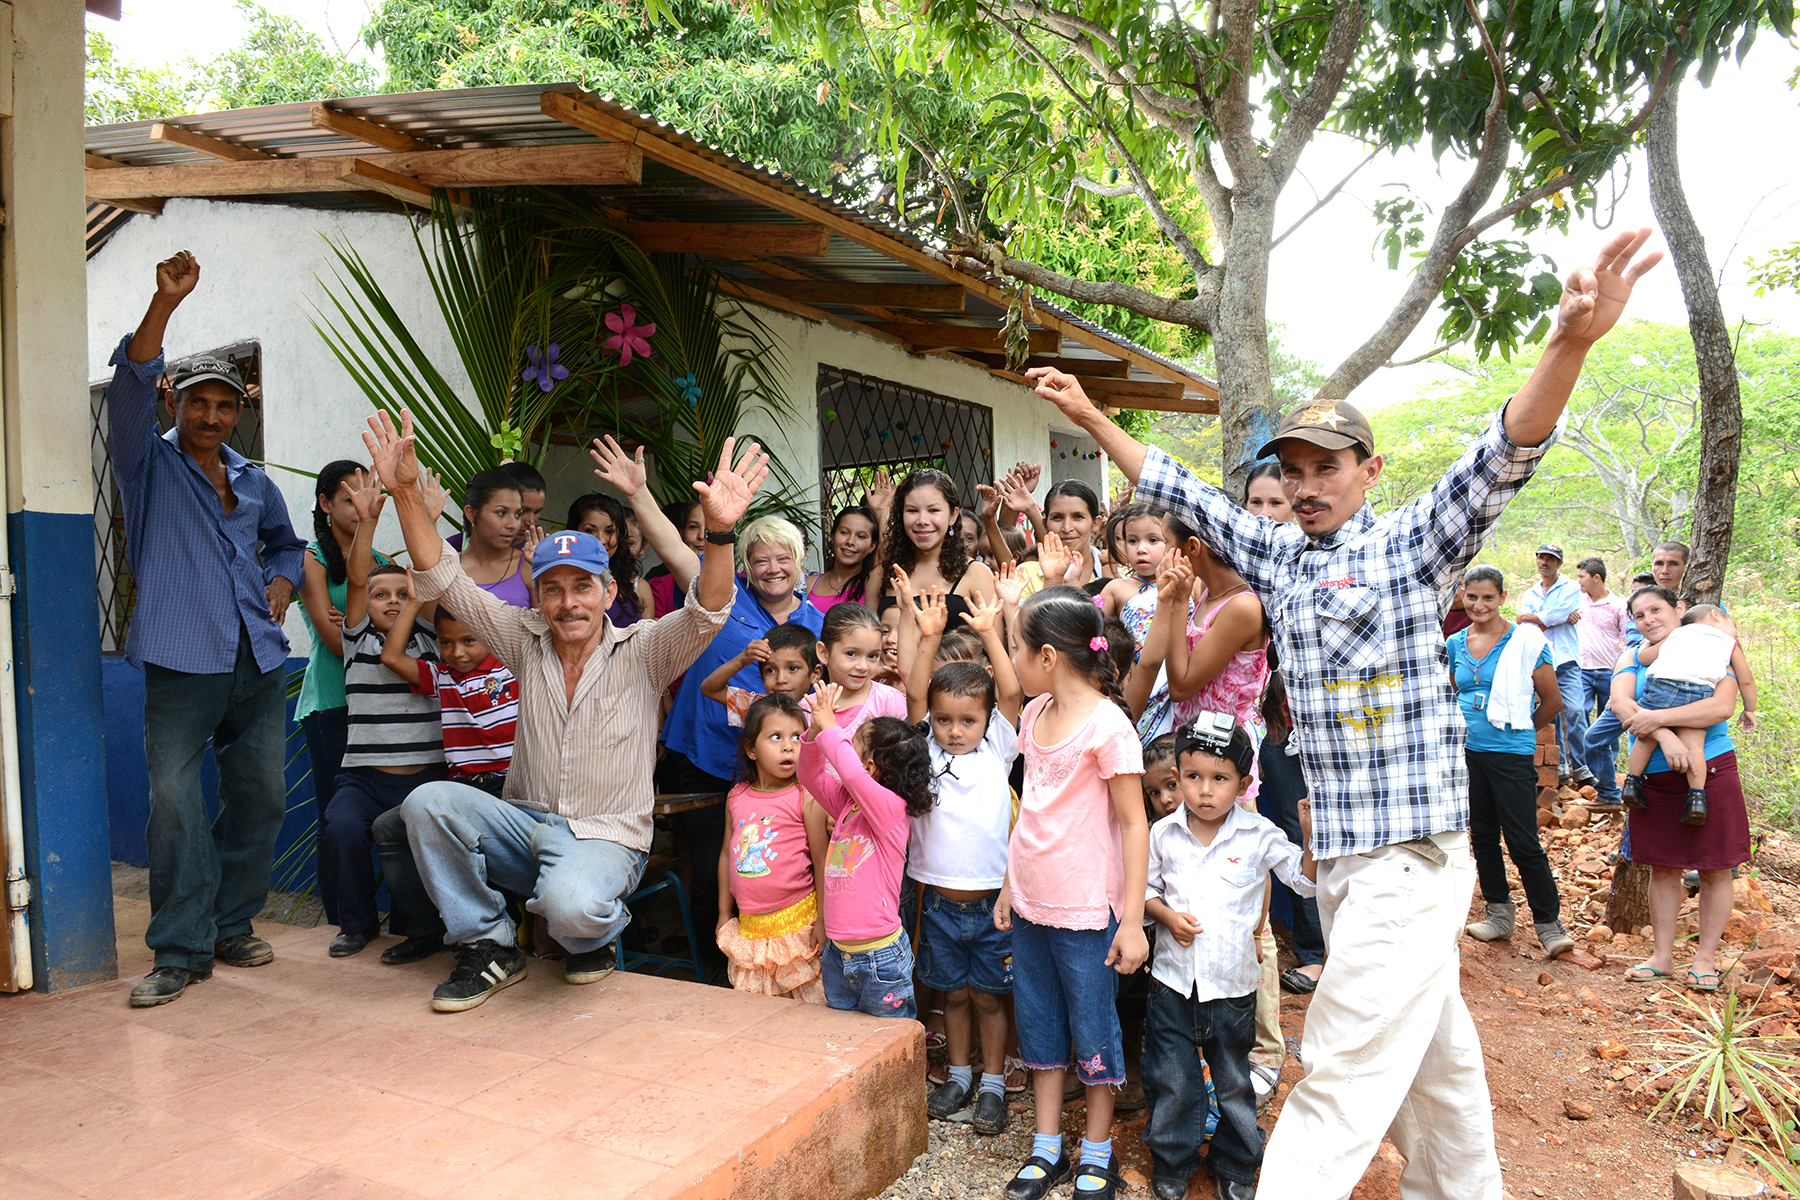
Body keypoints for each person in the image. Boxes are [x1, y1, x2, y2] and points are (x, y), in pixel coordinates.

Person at [1022, 227, 1661, 1198]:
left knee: (1339, 1070)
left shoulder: (1413, 545)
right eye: (1294, 470)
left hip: (1415, 861)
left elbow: (1504, 453)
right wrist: (1092, 412)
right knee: (1436, 1078)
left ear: (1367, 468)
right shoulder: (1278, 558)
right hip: (1351, 868)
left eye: (1328, 467)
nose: (1308, 485)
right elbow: (1176, 486)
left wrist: (1569, 342)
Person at [365, 409, 765, 1011]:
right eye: (553, 588)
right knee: (427, 803)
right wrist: (402, 492)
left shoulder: (645, 649)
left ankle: (595, 935)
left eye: (583, 587)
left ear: (608, 593)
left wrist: (721, 532)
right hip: (525, 827)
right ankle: (489, 945)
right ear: (537, 595)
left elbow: (709, 608)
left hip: (606, 839)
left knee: (570, 907)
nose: (568, 602)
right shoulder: (520, 639)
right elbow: (442, 579)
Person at [110, 251, 307, 1007]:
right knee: (176, 802)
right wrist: (164, 304)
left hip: (256, 662)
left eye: (225, 406)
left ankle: (230, 923)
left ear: (237, 413)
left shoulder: (255, 482)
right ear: (174, 405)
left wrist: (281, 587)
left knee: (261, 796)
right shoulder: (146, 467)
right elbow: (127, 385)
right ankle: (177, 948)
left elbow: (288, 546)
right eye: (198, 404)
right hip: (181, 665)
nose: (212, 416)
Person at [996, 586, 1149, 1200]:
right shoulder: (1034, 716)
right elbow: (1030, 811)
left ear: (1050, 657)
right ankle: (1047, 1146)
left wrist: (1132, 920)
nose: (1015, 660)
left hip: (1087, 910)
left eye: (1018, 649)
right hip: (1032, 902)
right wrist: (1010, 886)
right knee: (1038, 1022)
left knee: (1092, 1027)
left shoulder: (1109, 727)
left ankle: (1097, 1150)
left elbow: (1135, 824)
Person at [1142, 714, 1317, 1200]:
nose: (1203, 791)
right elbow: (1144, 892)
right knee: (1173, 1078)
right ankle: (1173, 1160)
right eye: (1192, 777)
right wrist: (1166, 917)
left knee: (1234, 1079)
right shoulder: (1163, 834)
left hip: (1234, 989)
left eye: (1219, 779)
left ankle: (1236, 1163)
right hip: (1172, 985)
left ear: (1243, 783)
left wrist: (1308, 838)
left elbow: (1303, 883)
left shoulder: (1258, 834)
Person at [658, 512, 822, 978]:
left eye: (782, 557)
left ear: (800, 560)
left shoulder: (817, 623)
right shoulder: (724, 596)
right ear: (744, 566)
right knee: (718, 871)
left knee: (795, 871)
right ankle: (717, 968)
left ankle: (799, 965)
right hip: (720, 763)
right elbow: (711, 687)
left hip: (796, 784)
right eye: (759, 559)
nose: (772, 568)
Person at [317, 468, 453, 959]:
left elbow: (431, 582)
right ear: (365, 604)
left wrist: (427, 522)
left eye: (402, 593)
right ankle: (356, 924)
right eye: (381, 595)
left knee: (418, 844)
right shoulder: (357, 640)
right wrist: (370, 521)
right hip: (365, 777)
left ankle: (417, 931)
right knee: (342, 829)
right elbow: (355, 576)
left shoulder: (431, 638)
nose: (392, 601)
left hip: (425, 776)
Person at [908, 591, 1023, 1135]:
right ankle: (957, 1075)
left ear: (985, 721)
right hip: (940, 907)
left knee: (989, 998)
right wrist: (930, 636)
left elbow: (1013, 692)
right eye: (945, 720)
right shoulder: (926, 746)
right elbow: (914, 697)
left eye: (968, 720)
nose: (956, 730)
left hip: (991, 905)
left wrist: (992, 633)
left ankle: (994, 1083)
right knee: (952, 994)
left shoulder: (998, 747)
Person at [1613, 586, 1750, 992]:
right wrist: (1670, 740)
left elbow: (1721, 707)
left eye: (1656, 609)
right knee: (1664, 866)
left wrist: (1656, 721)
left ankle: (1705, 959)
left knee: (1716, 867)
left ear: (1680, 609)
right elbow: (1621, 704)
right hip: (1652, 776)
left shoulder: (1709, 647)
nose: (1649, 619)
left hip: (1709, 770)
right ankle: (1662, 957)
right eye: (1639, 615)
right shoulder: (1632, 656)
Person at [373, 599, 521, 965]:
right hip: (463, 790)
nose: (457, 652)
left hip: (512, 789)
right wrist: (414, 600)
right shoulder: (441, 677)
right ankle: (426, 931)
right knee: (389, 827)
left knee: (483, 848)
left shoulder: (515, 669)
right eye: (446, 642)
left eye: (469, 641)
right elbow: (392, 656)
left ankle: (499, 934)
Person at [1448, 566, 1573, 956]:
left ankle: (1549, 924)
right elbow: (1451, 694)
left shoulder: (1524, 642)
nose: (1479, 605)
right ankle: (1499, 915)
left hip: (1511, 753)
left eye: (1488, 597)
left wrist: (1519, 730)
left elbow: (1552, 701)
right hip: (1467, 753)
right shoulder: (1454, 642)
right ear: (1462, 596)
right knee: (1482, 835)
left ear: (1503, 597)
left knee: (1522, 839)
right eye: (1472, 597)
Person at [798, 680, 936, 1016]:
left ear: (871, 766)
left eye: (853, 747)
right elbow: (810, 774)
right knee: (846, 1042)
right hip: (838, 954)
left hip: (881, 957)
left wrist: (832, 727)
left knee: (888, 1040)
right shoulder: (849, 802)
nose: (846, 754)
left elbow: (851, 773)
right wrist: (816, 732)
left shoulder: (890, 808)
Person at [295, 460, 391, 929]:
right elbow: (337, 642)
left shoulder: (382, 563)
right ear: (325, 503)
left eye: (367, 495)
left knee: (381, 817)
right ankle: (341, 922)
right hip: (332, 703)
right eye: (349, 497)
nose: (360, 505)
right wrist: (365, 624)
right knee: (336, 819)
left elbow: (388, 634)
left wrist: (355, 621)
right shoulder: (312, 556)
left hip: (378, 706)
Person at [715, 693, 829, 1004]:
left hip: (799, 928)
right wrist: (725, 913)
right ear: (751, 748)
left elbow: (821, 861)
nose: (788, 746)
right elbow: (727, 854)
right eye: (776, 737)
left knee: (808, 1010)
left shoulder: (805, 796)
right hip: (750, 928)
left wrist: (823, 921)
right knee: (759, 1014)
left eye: (796, 737)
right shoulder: (736, 797)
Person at [1620, 604, 1756, 824]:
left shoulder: (1675, 634)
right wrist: (1749, 709)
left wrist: (1644, 646)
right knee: (1694, 745)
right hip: (1697, 693)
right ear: (1715, 615)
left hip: (1661, 687)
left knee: (1645, 737)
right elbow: (1746, 680)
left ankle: (1632, 783)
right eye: (1735, 627)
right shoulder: (1729, 644)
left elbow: (1645, 659)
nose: (1735, 633)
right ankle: (1696, 798)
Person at [1259, 670, 1325, 996]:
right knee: (1299, 831)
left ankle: (1347, 950)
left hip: (1342, 722)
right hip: (1281, 726)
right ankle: (1313, 954)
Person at [873, 468, 996, 626]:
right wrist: (882, 513)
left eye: (933, 510)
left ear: (953, 515)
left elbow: (995, 643)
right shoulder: (883, 574)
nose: (922, 520)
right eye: (912, 510)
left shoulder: (977, 573)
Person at [1517, 543, 1593, 788]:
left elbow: (1559, 614)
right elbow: (1526, 624)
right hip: (1540, 659)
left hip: (1566, 659)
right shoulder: (1530, 593)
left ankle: (1581, 765)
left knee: (1576, 711)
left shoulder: (1571, 587)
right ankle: (1560, 766)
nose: (1544, 562)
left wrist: (1539, 617)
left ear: (1559, 563)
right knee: (1551, 712)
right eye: (1541, 558)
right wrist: (1551, 618)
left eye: (1550, 559)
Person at [1575, 557, 1629, 803]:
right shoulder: (1577, 602)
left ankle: (1609, 770)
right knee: (1580, 715)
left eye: (1582, 577)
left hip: (1611, 670)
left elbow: (1627, 639)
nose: (1578, 582)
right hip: (1583, 669)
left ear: (1596, 577)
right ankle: (1589, 770)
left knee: (1609, 724)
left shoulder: (1619, 605)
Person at [701, 623, 823, 726]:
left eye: (792, 668)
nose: (781, 679)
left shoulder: (823, 712)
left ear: (815, 674)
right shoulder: (756, 707)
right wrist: (741, 659)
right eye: (770, 670)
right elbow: (710, 689)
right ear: (762, 675)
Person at [566, 492, 654, 626]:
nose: (601, 540)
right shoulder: (558, 578)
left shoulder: (638, 587)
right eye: (590, 530)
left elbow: (648, 643)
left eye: (609, 531)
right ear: (572, 532)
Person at [455, 468, 532, 609]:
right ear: (471, 513)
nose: (513, 525)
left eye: (518, 514)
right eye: (501, 513)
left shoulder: (528, 565)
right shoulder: (450, 569)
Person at [807, 504, 880, 612]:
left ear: (872, 546)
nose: (850, 541)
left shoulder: (872, 584)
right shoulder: (810, 583)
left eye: (861, 536)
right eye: (844, 532)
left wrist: (882, 511)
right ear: (832, 536)